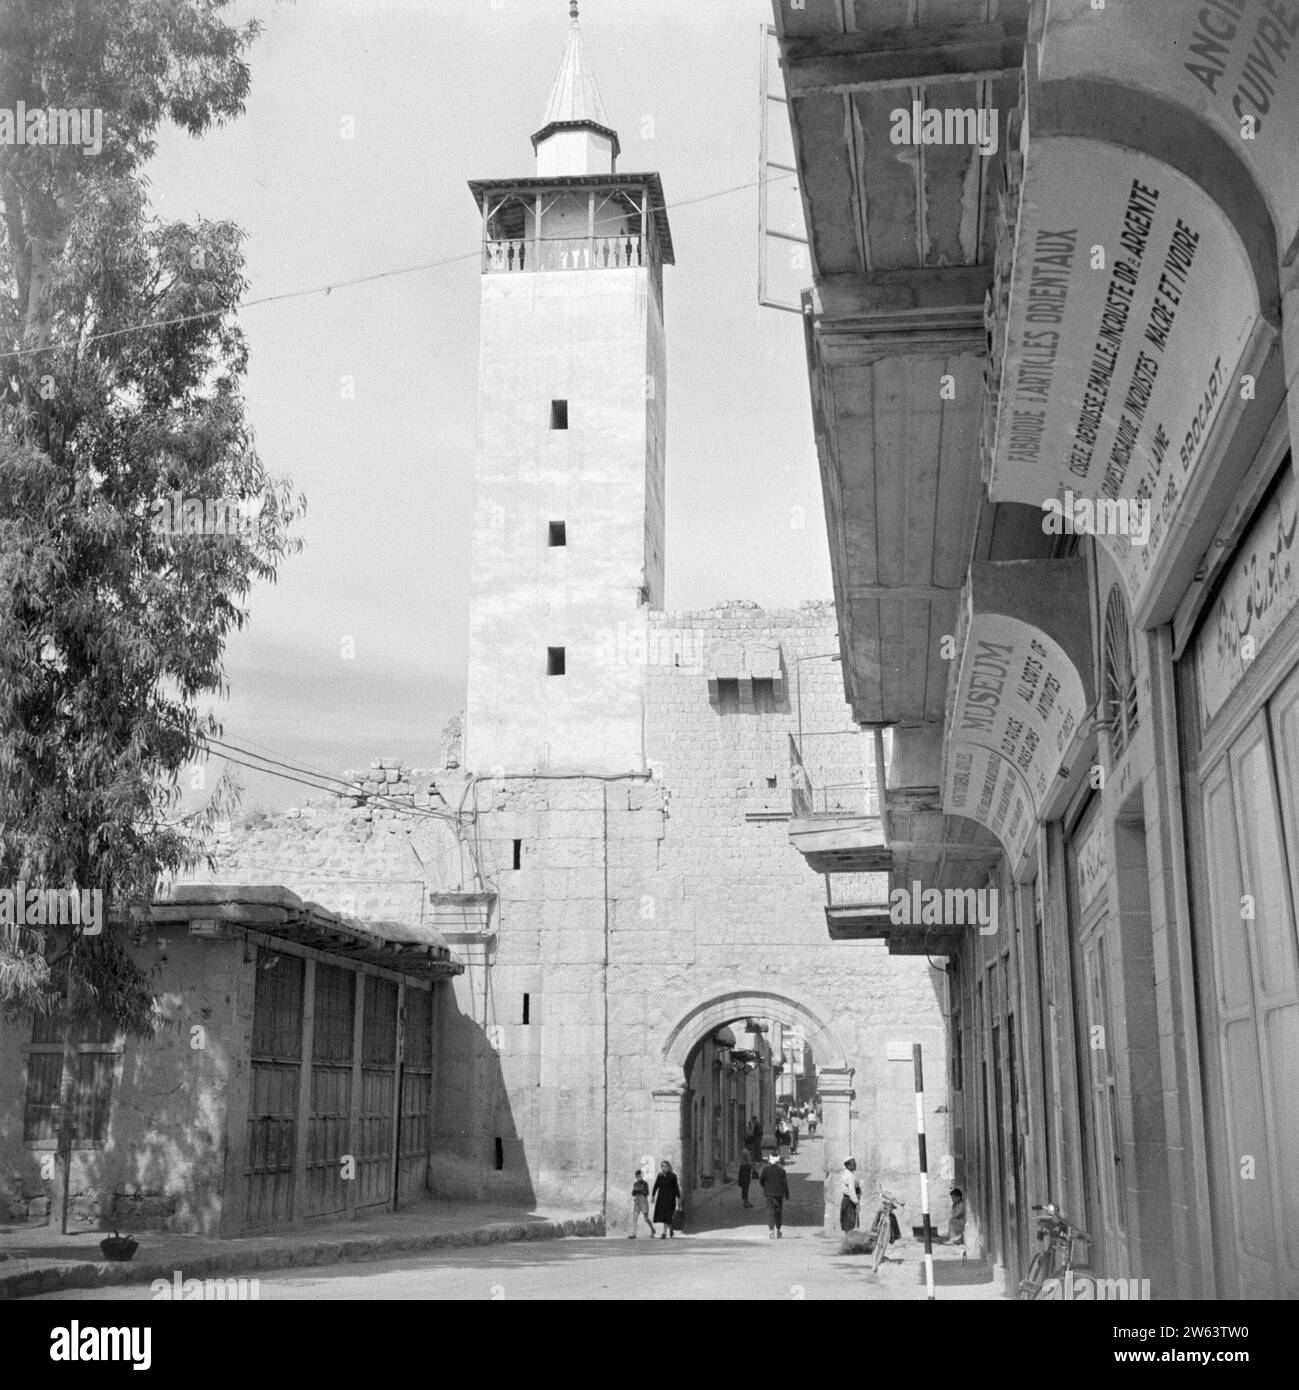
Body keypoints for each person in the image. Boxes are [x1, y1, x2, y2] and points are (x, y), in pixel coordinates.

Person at [759, 1154, 790, 1238]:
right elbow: (784, 1184)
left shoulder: (766, 1170)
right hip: (779, 1195)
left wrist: (765, 1188)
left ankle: (771, 1231)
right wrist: (787, 1195)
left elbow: (761, 1180)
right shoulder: (782, 1171)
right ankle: (779, 1230)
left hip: (769, 1194)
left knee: (770, 1212)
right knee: (778, 1213)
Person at [651, 1159, 681, 1240]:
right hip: (661, 1199)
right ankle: (670, 1229)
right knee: (665, 1216)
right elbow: (656, 1186)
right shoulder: (660, 1176)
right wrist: (653, 1196)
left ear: (669, 1167)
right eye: (662, 1166)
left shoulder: (673, 1176)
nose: (663, 1168)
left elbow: (676, 1188)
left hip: (670, 1199)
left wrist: (679, 1198)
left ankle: (664, 1233)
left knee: (667, 1215)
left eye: (665, 1166)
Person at [629, 1169, 655, 1238]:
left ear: (641, 1176)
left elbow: (647, 1193)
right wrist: (634, 1190)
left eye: (640, 1176)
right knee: (635, 1218)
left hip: (643, 1202)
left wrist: (640, 1190)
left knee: (646, 1219)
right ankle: (634, 1234)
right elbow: (632, 1194)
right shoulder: (635, 1184)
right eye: (637, 1176)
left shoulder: (645, 1183)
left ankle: (652, 1229)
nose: (638, 1178)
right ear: (636, 1177)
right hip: (637, 1202)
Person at [839, 1156, 861, 1233]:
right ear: (848, 1165)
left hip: (845, 1200)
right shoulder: (850, 1176)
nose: (855, 1165)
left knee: (847, 1222)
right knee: (850, 1222)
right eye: (853, 1164)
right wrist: (856, 1202)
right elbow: (852, 1191)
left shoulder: (846, 1173)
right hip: (849, 1202)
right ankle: (848, 1240)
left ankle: (847, 1239)